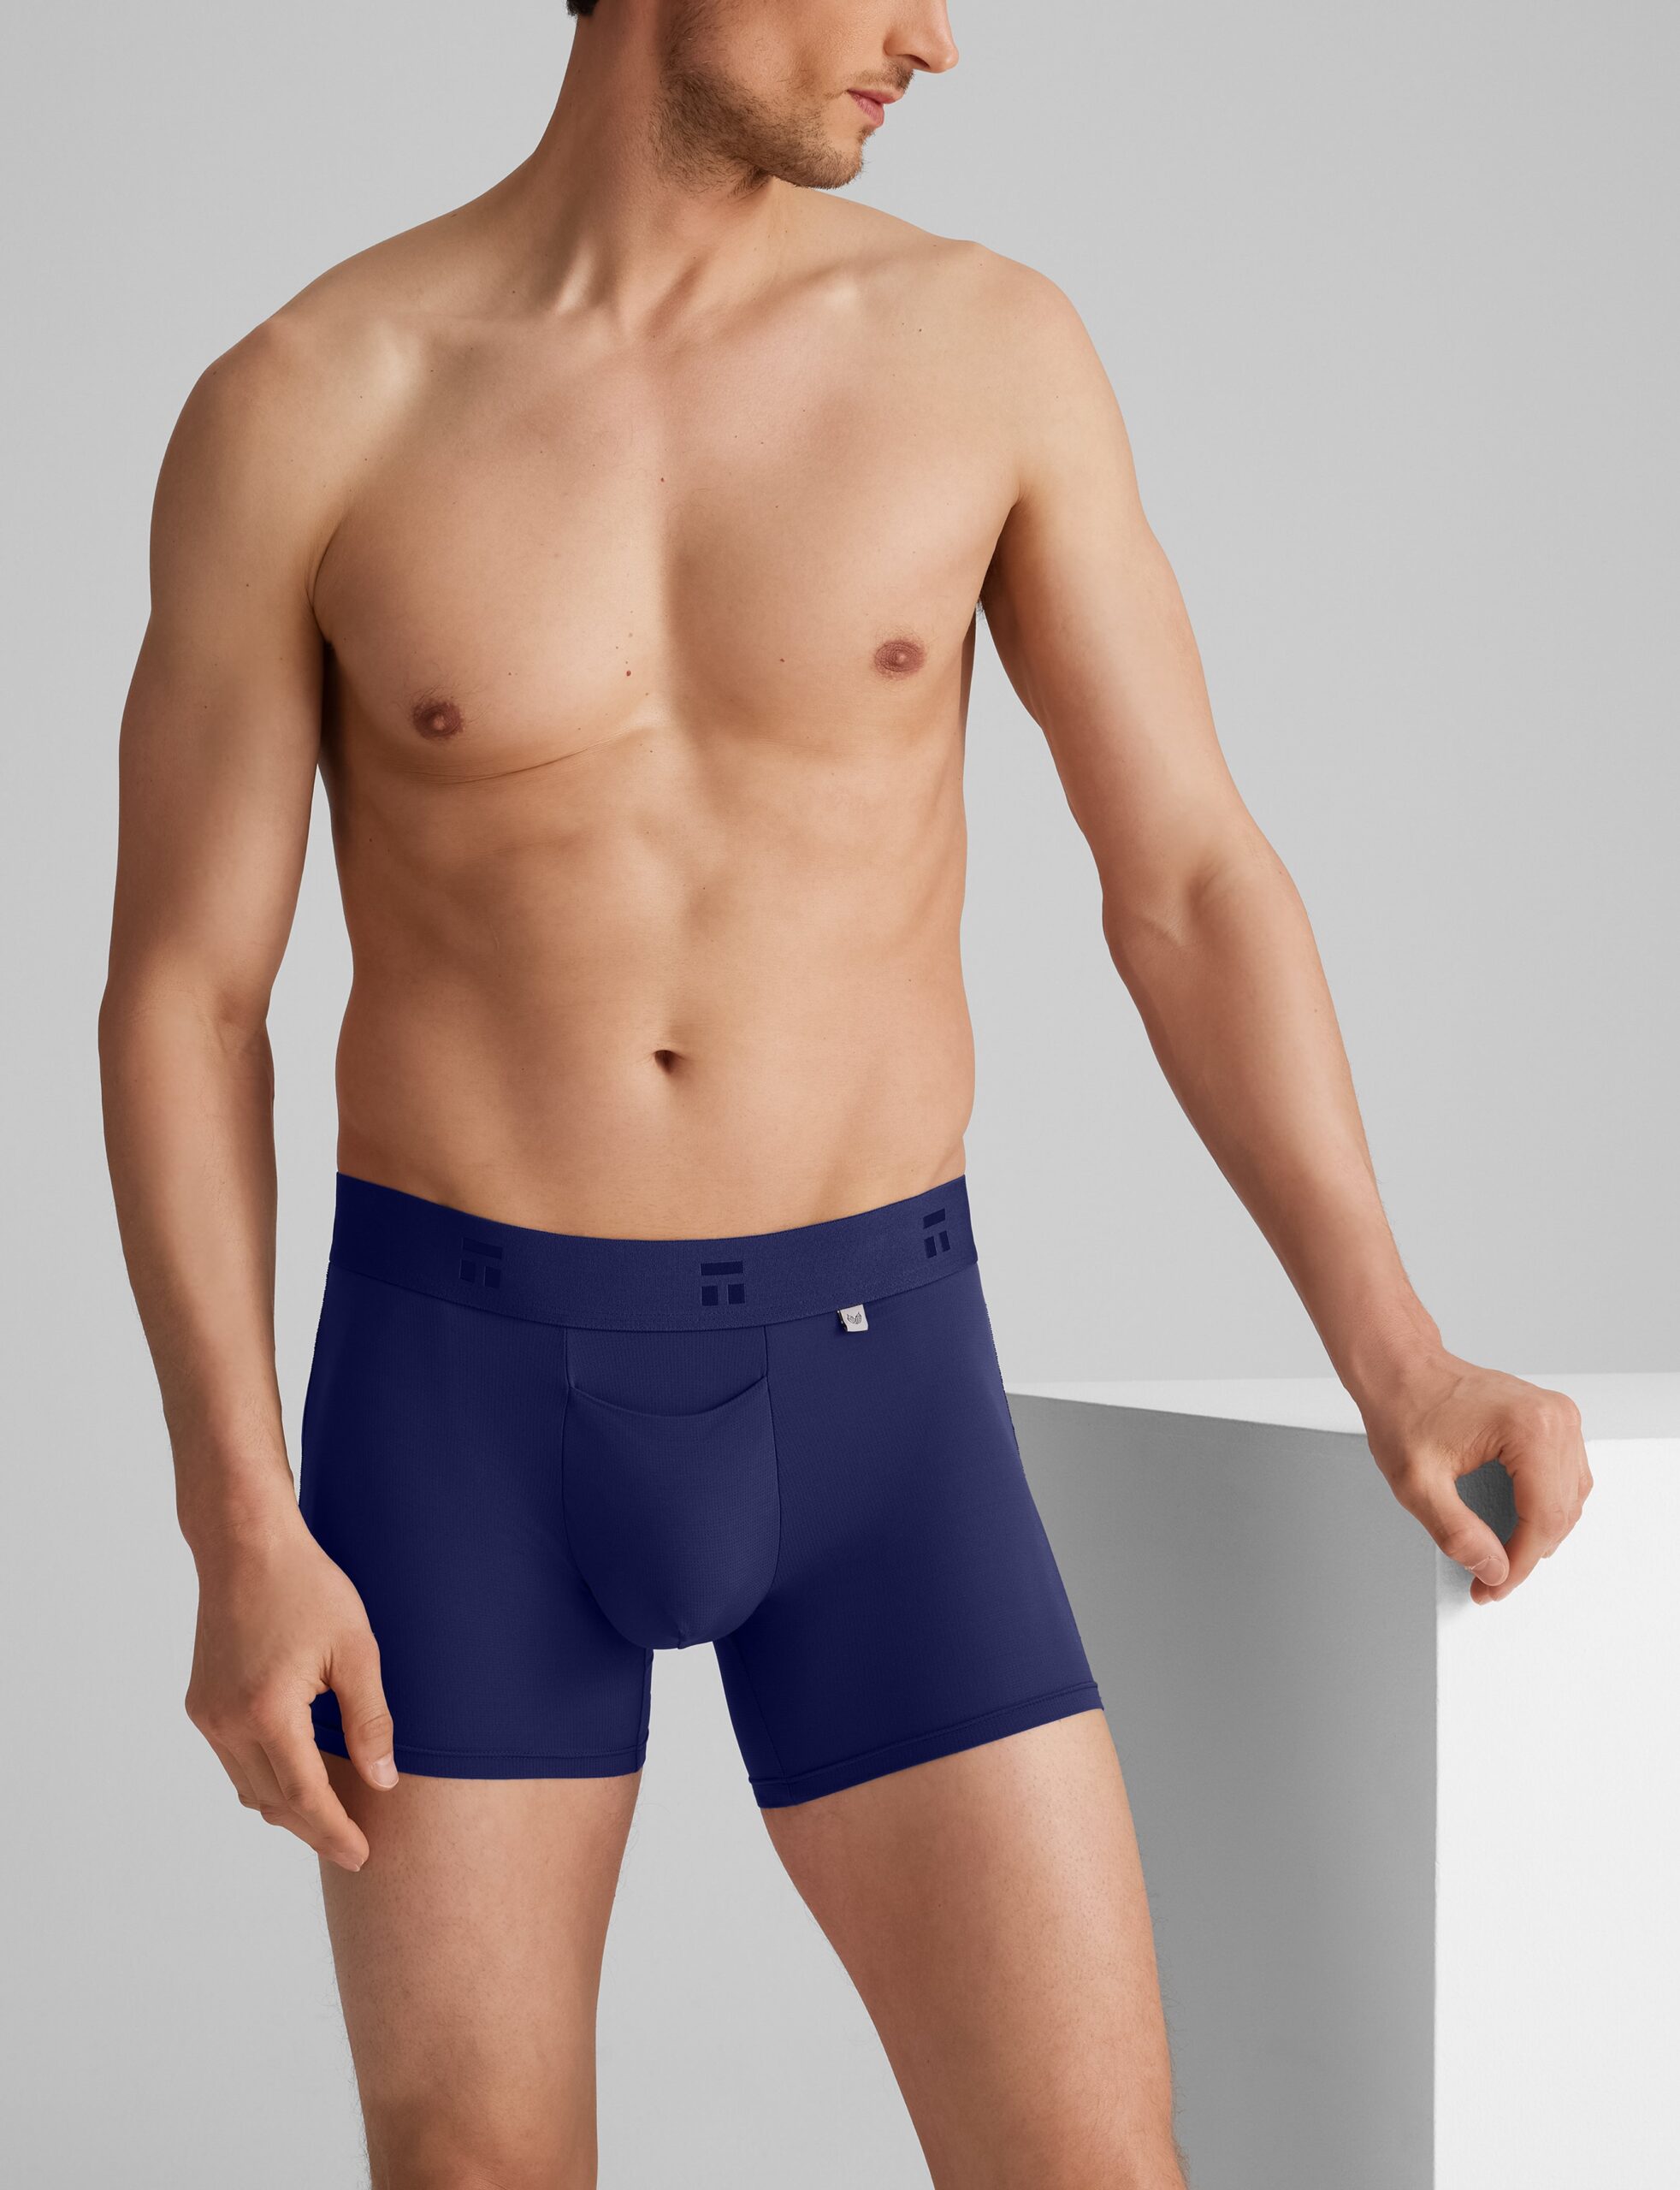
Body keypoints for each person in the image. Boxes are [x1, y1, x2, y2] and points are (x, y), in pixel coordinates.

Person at [98, 3, 1593, 2184]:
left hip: (877, 1385)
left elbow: (1185, 877)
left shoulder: (984, 354)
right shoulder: (312, 397)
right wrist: (239, 1521)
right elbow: (185, 993)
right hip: (454, 1403)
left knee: (1088, 2165)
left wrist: (1396, 1347)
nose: (933, 39)